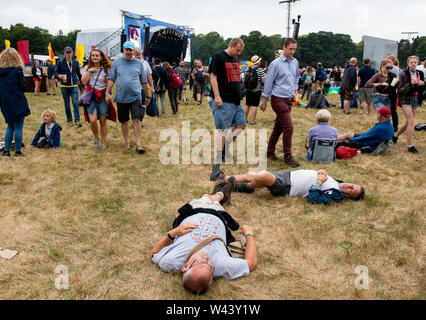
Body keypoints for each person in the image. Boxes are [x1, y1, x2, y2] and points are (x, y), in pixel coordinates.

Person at [150, 178, 257, 295]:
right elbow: (250, 264)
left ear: (185, 266)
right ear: (212, 272)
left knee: (206, 197)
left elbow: (154, 253)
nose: (205, 259)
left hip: (194, 211)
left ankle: (219, 194)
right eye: (209, 265)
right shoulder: (220, 264)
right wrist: (249, 234)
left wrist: (173, 233)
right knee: (213, 201)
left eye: (199, 262)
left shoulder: (172, 261)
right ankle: (220, 195)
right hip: (219, 216)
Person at [208, 38, 247, 181]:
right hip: (223, 100)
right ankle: (216, 167)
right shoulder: (219, 57)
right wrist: (217, 96)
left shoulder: (235, 58)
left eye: (240, 51)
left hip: (235, 101)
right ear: (231, 46)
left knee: (241, 125)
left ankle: (225, 148)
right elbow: (213, 77)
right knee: (222, 131)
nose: (239, 53)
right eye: (237, 50)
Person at [217, 169, 364, 204]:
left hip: (287, 187)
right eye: (353, 185)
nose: (349, 187)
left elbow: (313, 199)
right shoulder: (337, 182)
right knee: (254, 174)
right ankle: (224, 178)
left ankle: (246, 188)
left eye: (352, 191)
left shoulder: (335, 193)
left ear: (348, 196)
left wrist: (319, 181)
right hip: (288, 175)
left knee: (262, 176)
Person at [260, 37, 300, 168]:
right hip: (278, 99)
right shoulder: (275, 64)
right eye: (290, 49)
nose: (292, 52)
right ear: (284, 47)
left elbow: (295, 79)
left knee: (279, 128)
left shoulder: (295, 62)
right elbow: (269, 82)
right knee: (289, 127)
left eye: (294, 49)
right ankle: (287, 156)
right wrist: (264, 99)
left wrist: (295, 92)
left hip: (289, 99)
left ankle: (270, 151)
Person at [106, 41, 150, 154]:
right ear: (123, 50)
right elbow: (112, 78)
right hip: (121, 97)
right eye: (127, 50)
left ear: (133, 51)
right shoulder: (117, 62)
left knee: (137, 119)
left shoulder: (139, 63)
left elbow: (144, 81)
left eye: (131, 50)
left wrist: (147, 95)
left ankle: (139, 144)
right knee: (124, 121)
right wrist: (108, 92)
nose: (129, 52)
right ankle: (127, 142)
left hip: (136, 96)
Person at [0, 48, 31, 157]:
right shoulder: (17, 71)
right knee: (18, 127)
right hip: (17, 100)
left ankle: (6, 151)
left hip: (5, 102)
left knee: (10, 126)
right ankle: (18, 151)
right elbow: (23, 87)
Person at [81, 48, 112, 150]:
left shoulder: (106, 69)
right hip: (92, 96)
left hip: (102, 96)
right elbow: (84, 82)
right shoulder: (87, 68)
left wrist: (108, 94)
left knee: (103, 120)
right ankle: (96, 137)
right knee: (93, 120)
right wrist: (89, 71)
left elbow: (108, 83)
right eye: (93, 55)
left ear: (101, 57)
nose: (94, 57)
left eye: (97, 56)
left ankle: (103, 142)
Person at [393, 56, 425, 153]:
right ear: (408, 63)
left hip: (415, 99)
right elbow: (400, 90)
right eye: (411, 62)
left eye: (415, 62)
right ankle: (410, 145)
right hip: (405, 99)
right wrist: (411, 84)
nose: (413, 64)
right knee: (411, 121)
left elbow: (421, 90)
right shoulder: (404, 74)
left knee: (408, 123)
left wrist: (423, 84)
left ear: (418, 63)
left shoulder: (420, 73)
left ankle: (395, 135)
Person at [55, 46, 82, 127]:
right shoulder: (60, 62)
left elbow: (78, 74)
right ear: (64, 53)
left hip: (74, 85)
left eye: (70, 53)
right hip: (64, 86)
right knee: (67, 104)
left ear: (72, 53)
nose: (68, 54)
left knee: (75, 103)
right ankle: (69, 120)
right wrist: (59, 76)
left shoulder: (76, 63)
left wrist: (82, 82)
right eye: (67, 53)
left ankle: (77, 120)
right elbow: (56, 72)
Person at [242, 55, 266, 125]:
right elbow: (264, 81)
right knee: (254, 106)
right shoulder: (260, 70)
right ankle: (252, 121)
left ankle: (245, 119)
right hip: (256, 90)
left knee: (247, 105)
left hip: (248, 90)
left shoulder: (247, 69)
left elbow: (244, 79)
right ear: (258, 62)